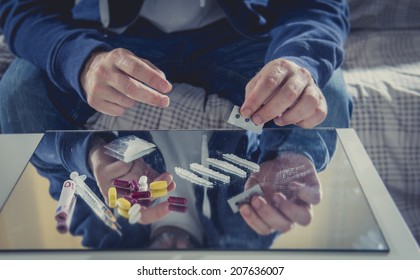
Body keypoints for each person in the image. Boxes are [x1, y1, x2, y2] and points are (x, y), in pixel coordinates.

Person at [0, 0, 352, 133]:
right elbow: (22, 8)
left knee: (325, 94)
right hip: (109, 39)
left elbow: (318, 4)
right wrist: (83, 61)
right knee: (19, 91)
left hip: (238, 36)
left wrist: (299, 60)